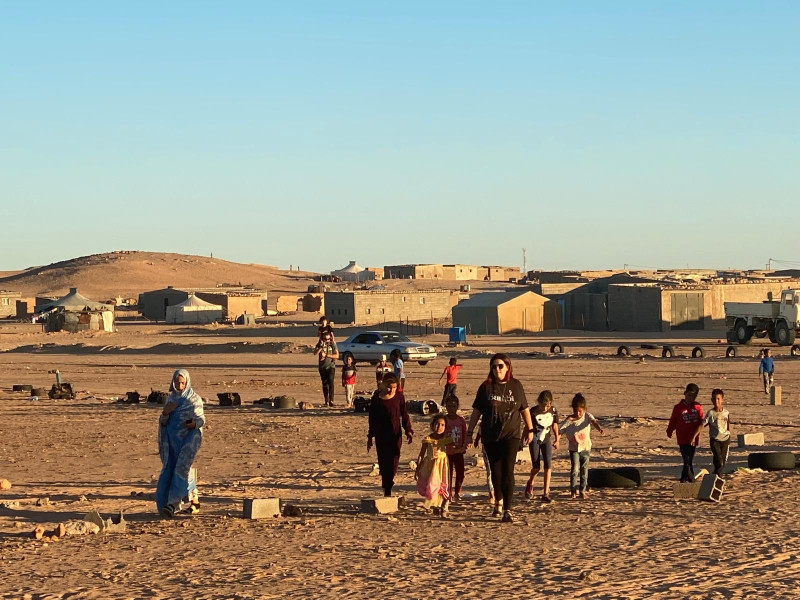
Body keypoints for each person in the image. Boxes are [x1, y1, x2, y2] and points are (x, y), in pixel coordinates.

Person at [467, 353, 534, 523]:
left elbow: (524, 408)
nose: (497, 369)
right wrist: (470, 432)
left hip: (511, 434)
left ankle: (507, 510)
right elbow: (477, 411)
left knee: (508, 470)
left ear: (507, 367)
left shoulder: (516, 385)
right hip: (490, 435)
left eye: (500, 366)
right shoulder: (485, 388)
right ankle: (498, 501)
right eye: (494, 366)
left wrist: (530, 428)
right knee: (496, 472)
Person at [156, 369, 205, 518]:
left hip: (188, 442)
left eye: (182, 383)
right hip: (171, 443)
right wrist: (165, 413)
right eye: (177, 382)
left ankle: (172, 504)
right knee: (175, 470)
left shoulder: (194, 399)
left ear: (187, 382)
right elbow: (163, 422)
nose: (180, 385)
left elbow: (201, 420)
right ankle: (194, 502)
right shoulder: (170, 400)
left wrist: (193, 423)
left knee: (181, 469)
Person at [367, 373, 414, 497]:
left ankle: (389, 482)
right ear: (383, 385)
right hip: (381, 434)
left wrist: (408, 431)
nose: (391, 390)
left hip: (395, 434)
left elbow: (404, 415)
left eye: (394, 387)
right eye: (389, 387)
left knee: (394, 460)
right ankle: (387, 488)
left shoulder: (399, 397)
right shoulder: (376, 397)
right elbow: (372, 418)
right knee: (383, 462)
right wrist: (370, 436)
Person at [559, 393, 604, 499]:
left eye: (580, 411)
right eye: (575, 411)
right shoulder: (569, 420)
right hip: (574, 448)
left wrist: (599, 429)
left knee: (584, 469)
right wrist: (557, 440)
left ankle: (582, 490)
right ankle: (573, 490)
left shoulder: (587, 416)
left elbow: (594, 422)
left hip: (585, 447)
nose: (578, 413)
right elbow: (560, 431)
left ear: (584, 409)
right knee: (575, 469)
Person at [415, 414, 454, 518]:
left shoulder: (446, 438)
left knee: (443, 485)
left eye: (442, 425)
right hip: (429, 465)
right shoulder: (428, 439)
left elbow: (454, 447)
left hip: (442, 465)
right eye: (437, 424)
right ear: (432, 425)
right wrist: (417, 468)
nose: (439, 427)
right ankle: (435, 506)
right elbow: (421, 454)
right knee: (432, 485)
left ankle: (444, 507)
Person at [524, 390, 560, 503]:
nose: (545, 408)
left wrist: (557, 439)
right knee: (536, 466)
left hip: (547, 440)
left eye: (547, 406)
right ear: (539, 402)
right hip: (534, 440)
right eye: (543, 405)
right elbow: (527, 426)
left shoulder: (553, 411)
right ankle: (531, 482)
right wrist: (522, 440)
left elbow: (554, 425)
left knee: (548, 466)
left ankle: (546, 493)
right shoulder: (533, 411)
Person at [667, 383, 704, 482]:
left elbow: (702, 421)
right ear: (685, 393)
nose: (690, 398)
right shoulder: (678, 408)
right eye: (689, 395)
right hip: (682, 438)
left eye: (693, 396)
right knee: (686, 460)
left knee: (689, 460)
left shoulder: (698, 407)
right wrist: (670, 430)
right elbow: (673, 420)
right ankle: (691, 479)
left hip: (693, 438)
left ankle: (684, 479)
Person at [444, 395, 468, 500]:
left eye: (453, 406)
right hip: (447, 452)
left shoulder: (461, 420)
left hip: (459, 451)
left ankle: (457, 492)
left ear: (457, 407)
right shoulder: (444, 420)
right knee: (448, 473)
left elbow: (464, 433)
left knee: (460, 473)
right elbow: (440, 435)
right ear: (446, 407)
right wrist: (448, 442)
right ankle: (448, 492)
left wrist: (465, 445)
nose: (451, 409)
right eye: (449, 406)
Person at [703, 389, 731, 475]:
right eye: (714, 399)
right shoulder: (710, 413)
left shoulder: (726, 412)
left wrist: (728, 434)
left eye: (718, 399)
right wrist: (693, 435)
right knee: (719, 460)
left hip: (725, 439)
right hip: (715, 439)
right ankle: (718, 475)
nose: (716, 401)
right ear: (711, 400)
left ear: (722, 399)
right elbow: (703, 424)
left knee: (722, 461)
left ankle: (717, 474)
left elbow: (728, 424)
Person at [314, 331, 339, 406]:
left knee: (330, 382)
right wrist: (321, 347)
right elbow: (315, 353)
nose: (327, 340)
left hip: (331, 366)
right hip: (322, 367)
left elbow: (337, 356)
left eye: (328, 339)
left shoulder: (332, 344)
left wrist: (327, 355)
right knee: (324, 383)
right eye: (325, 339)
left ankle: (331, 400)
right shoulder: (320, 344)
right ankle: (326, 400)